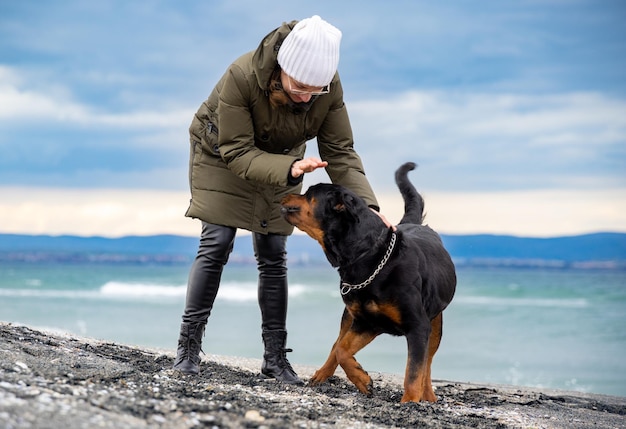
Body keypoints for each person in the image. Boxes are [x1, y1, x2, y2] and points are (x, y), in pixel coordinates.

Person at [173, 15, 385, 384]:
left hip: (286, 161)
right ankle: (187, 350)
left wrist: (367, 208)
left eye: (315, 90)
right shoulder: (241, 76)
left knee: (273, 251)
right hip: (221, 155)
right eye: (300, 86)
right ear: (283, 67)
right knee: (217, 241)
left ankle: (275, 359)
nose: (306, 96)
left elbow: (341, 151)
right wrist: (290, 169)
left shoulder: (327, 88)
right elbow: (237, 151)